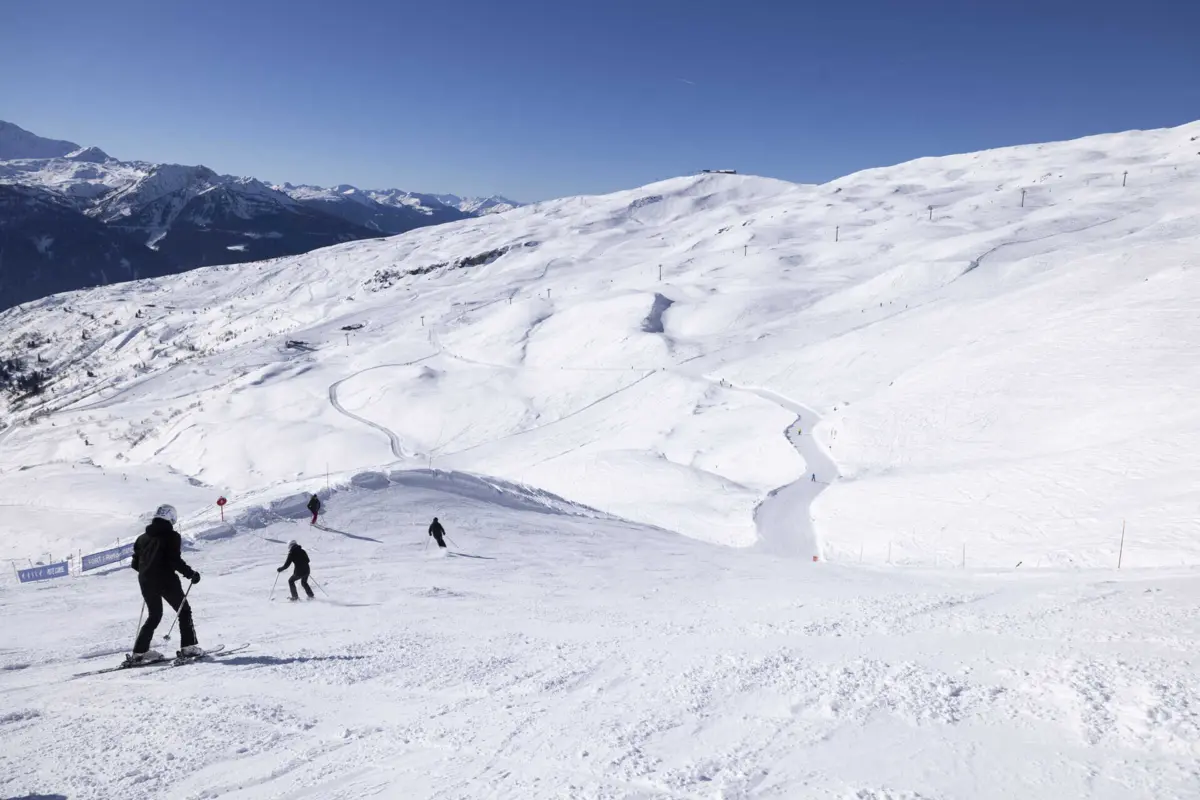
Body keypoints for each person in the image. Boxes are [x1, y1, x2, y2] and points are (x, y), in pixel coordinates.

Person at [129, 504, 203, 662]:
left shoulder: (141, 539)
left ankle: (139, 653)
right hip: (166, 579)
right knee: (184, 610)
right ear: (171, 518)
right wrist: (191, 574)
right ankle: (188, 648)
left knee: (154, 615)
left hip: (146, 581)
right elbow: (174, 560)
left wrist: (148, 571)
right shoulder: (171, 536)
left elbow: (135, 564)